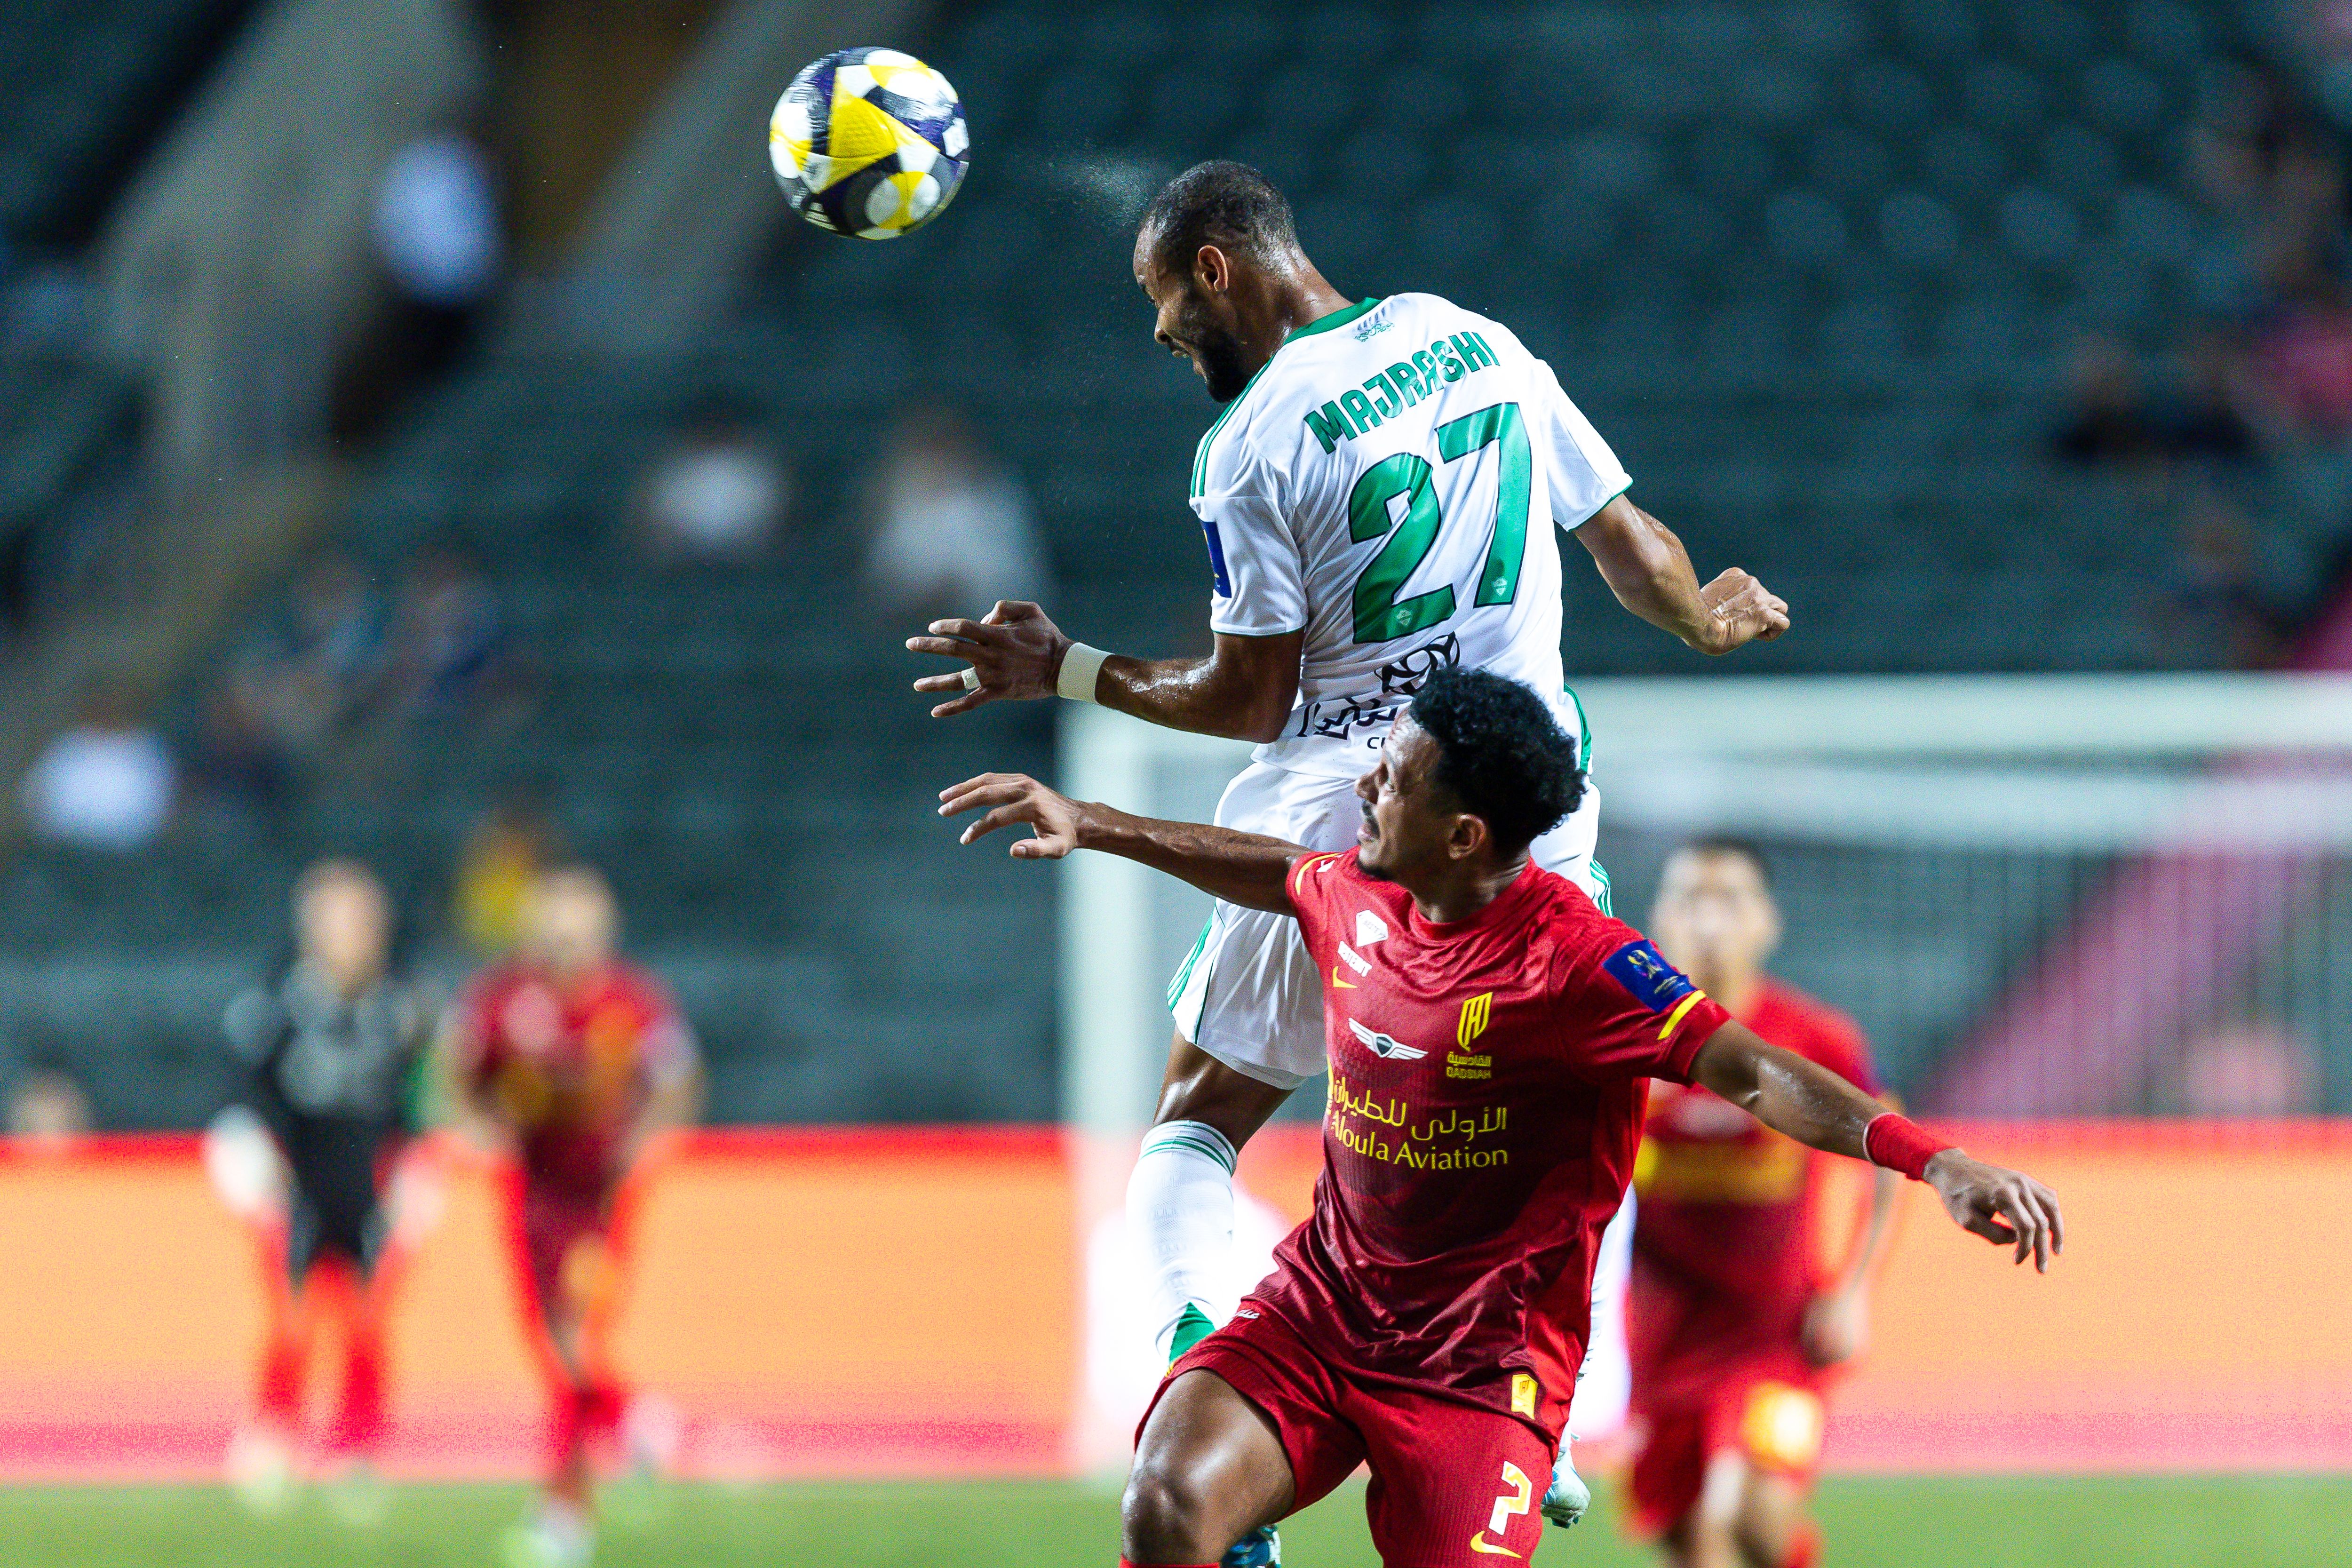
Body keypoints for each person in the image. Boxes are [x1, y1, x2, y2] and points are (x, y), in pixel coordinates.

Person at [906, 159, 1790, 1558]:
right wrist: (1702, 620)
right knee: (1553, 1113)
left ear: (1215, 270)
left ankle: (1205, 1382)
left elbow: (1246, 695)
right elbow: (1627, 543)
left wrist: (1068, 667)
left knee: (1196, 1125)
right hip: (1532, 809)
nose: (1161, 334)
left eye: (1161, 299)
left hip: (1346, 807)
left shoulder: (1252, 440)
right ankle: (1533, 1400)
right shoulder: (1476, 339)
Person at [938, 667, 2061, 1568]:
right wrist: (1091, 821)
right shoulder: (1362, 891)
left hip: (1481, 1370)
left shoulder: (1581, 962)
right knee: (1166, 1500)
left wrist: (1934, 1160)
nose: (1367, 782)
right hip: (1320, 1312)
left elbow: (1756, 1072)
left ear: (1465, 833)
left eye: (1396, 775)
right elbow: (1277, 869)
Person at [1623, 840, 1901, 1568]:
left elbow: (1888, 1156)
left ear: (1767, 922)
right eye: (1692, 898)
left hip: (1777, 1336)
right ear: (1659, 919)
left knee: (1751, 1512)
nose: (1710, 919)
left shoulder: (1812, 1037)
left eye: (1730, 899)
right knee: (1688, 1538)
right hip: (1661, 1339)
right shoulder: (1620, 1033)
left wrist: (1853, 1288)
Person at [445, 864, 701, 1568]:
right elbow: (456, 1072)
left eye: (580, 931)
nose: (567, 945)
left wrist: (647, 1140)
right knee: (548, 1341)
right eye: (556, 931)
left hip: (601, 1198)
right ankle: (634, 1421)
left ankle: (564, 1516)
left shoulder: (633, 1002)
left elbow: (678, 1080)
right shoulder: (503, 999)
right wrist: (478, 1127)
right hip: (532, 1193)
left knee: (576, 1341)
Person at [217, 860, 431, 1513]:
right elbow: (243, 1097)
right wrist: (255, 1167)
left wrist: (418, 1168)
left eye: (364, 922)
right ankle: (274, 1433)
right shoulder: (276, 1006)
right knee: (292, 1316)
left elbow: (422, 1098)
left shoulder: (403, 1008)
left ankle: (358, 1445)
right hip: (297, 1183)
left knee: (367, 1319)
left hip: (370, 1185)